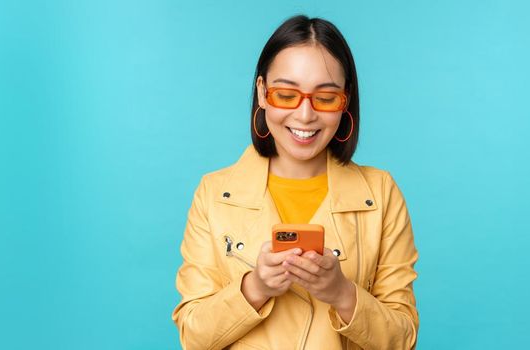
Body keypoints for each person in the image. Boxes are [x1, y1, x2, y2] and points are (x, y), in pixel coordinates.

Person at [172, 15, 419, 350]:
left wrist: (342, 293)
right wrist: (254, 288)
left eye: (326, 97)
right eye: (286, 95)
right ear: (262, 93)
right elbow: (193, 336)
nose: (305, 115)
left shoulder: (380, 193)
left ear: (345, 101)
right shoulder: (214, 194)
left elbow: (403, 339)